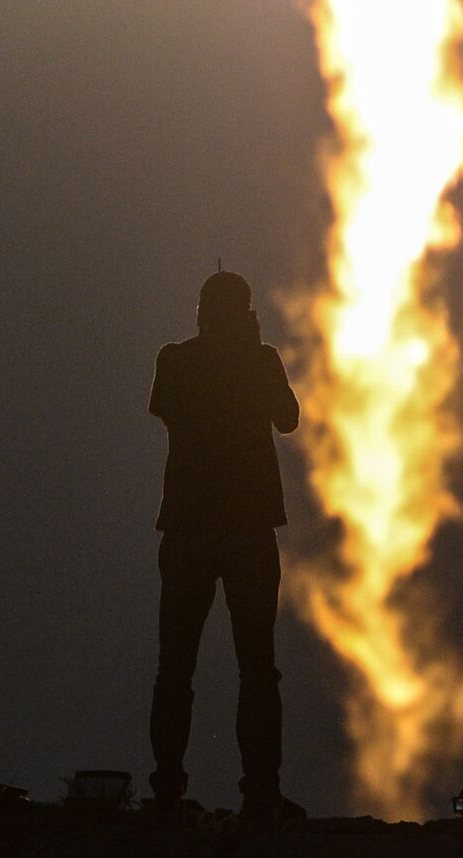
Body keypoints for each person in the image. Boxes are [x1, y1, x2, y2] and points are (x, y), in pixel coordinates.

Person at [147, 270, 304, 822]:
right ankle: (260, 791)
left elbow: (167, 408)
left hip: (189, 527)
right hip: (247, 528)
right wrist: (250, 356)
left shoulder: (176, 359)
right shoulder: (259, 361)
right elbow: (289, 418)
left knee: (176, 666)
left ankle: (167, 790)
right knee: (257, 668)